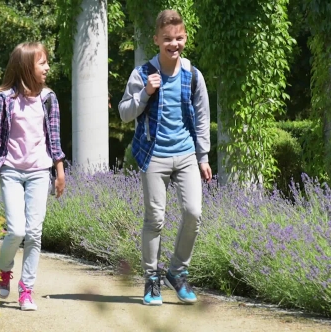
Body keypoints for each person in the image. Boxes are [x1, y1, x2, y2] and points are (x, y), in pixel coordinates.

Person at [118, 9, 211, 306]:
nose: (174, 44)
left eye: (179, 38)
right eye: (168, 39)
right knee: (155, 219)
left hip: (185, 154)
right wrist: (145, 92)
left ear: (185, 37)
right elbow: (124, 114)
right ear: (157, 39)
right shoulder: (142, 73)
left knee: (194, 212)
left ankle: (177, 271)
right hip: (153, 154)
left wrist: (203, 156)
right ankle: (151, 280)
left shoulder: (193, 75)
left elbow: (202, 118)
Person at [0, 42, 66, 311]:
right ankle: (3, 271)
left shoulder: (49, 99)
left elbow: (55, 142)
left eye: (47, 62)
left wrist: (60, 173)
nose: (47, 67)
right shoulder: (4, 99)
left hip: (39, 172)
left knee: (34, 233)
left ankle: (26, 290)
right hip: (11, 172)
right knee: (16, 230)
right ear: (26, 67)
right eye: (42, 63)